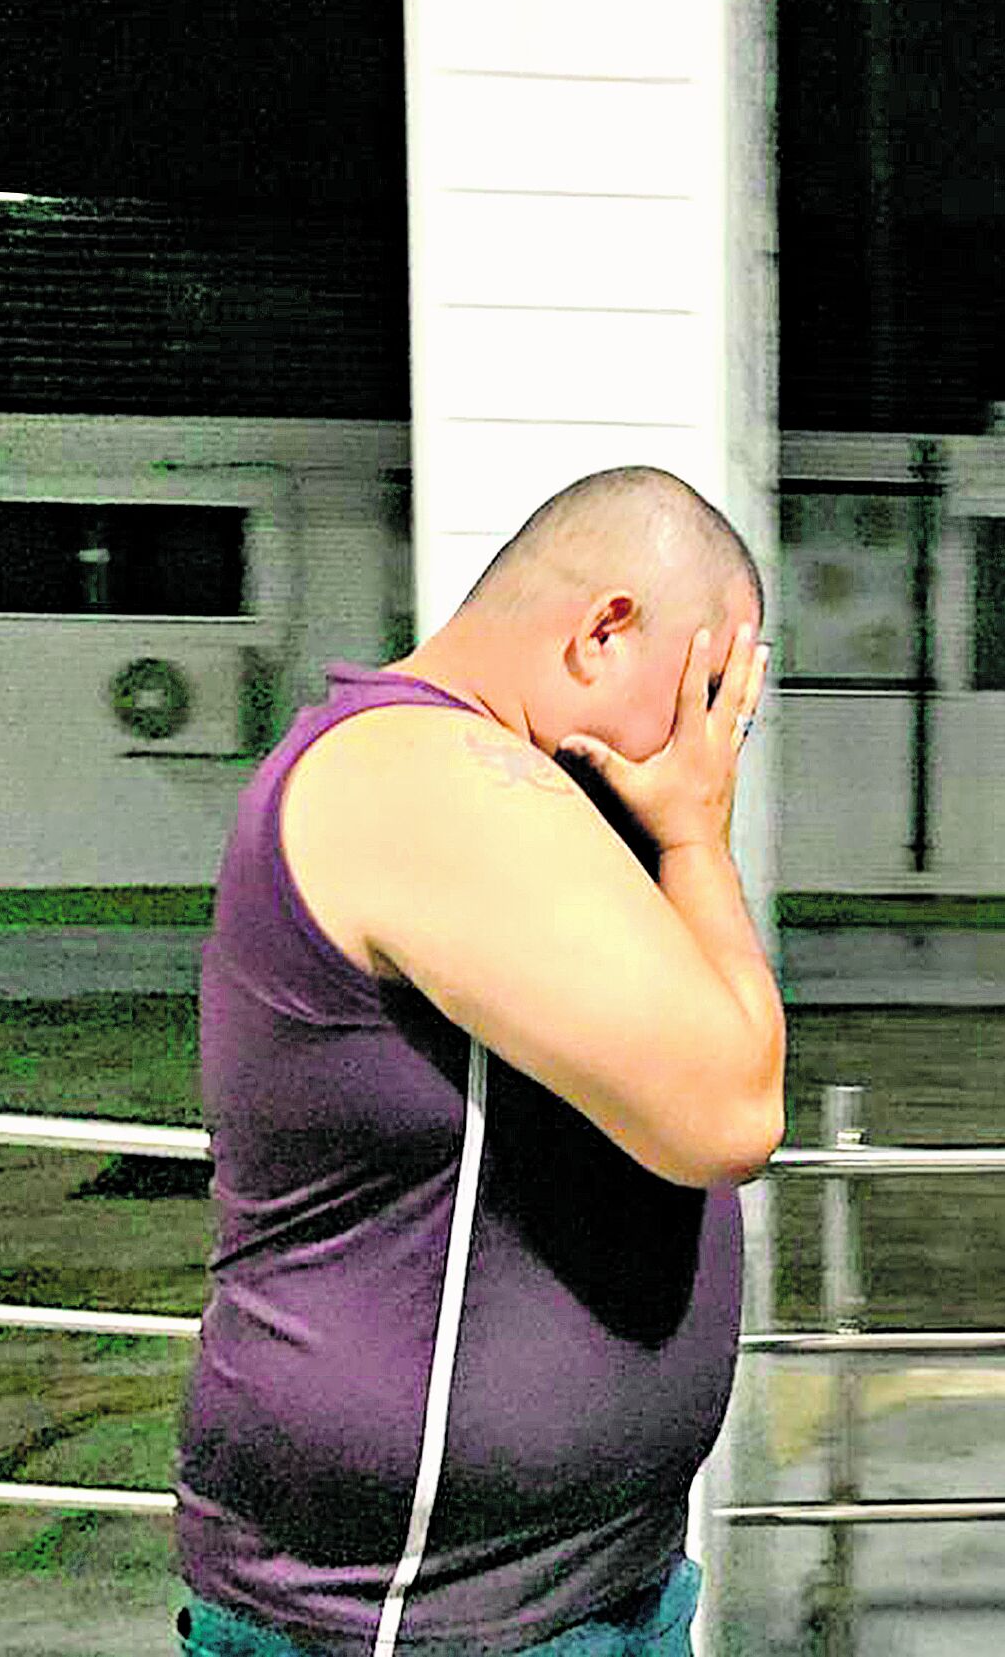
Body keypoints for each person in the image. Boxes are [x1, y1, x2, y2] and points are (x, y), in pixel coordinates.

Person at [176, 465, 784, 1657]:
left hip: (559, 1593)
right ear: (606, 630)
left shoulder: (506, 796)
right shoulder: (430, 775)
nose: (708, 745)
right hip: (416, 1622)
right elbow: (728, 1106)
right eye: (707, 695)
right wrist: (694, 835)